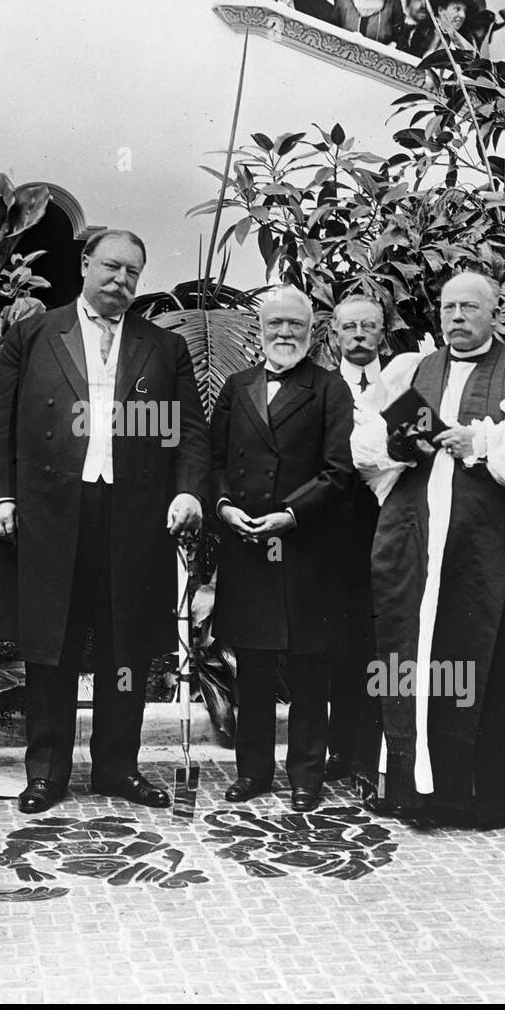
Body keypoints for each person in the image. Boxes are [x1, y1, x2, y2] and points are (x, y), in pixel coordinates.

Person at [0, 229, 208, 814]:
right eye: (110, 267)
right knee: (50, 644)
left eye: (133, 272)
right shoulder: (34, 334)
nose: (121, 281)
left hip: (133, 514)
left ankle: (116, 767)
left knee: (125, 647)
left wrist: (188, 494)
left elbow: (188, 433)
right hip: (51, 511)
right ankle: (47, 773)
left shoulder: (163, 347)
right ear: (85, 263)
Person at [352, 272, 505, 823]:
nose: (456, 317)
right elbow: (365, 442)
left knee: (478, 654)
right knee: (409, 653)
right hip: (413, 537)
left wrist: (481, 441)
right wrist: (403, 443)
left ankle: (473, 796)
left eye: (470, 307)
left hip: (482, 542)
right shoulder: (413, 369)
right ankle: (408, 788)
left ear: (494, 315)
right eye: (449, 307)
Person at [211, 286, 354, 812]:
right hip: (247, 544)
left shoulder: (330, 389)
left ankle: (306, 776)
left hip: (305, 547)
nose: (285, 334)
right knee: (252, 665)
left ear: (312, 332)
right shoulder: (236, 386)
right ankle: (252, 772)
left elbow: (339, 471)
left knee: (310, 666)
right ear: (261, 331)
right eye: (275, 325)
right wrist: (225, 507)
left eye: (296, 325)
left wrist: (290, 514)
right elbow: (215, 459)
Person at [326, 294, 387, 782]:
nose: (360, 334)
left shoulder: (404, 380)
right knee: (341, 644)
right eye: (351, 327)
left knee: (379, 644)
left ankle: (375, 754)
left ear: (383, 332)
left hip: (390, 528)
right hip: (336, 535)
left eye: (369, 326)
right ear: (335, 335)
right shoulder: (324, 388)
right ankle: (340, 749)